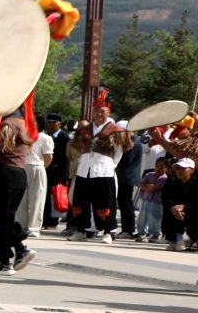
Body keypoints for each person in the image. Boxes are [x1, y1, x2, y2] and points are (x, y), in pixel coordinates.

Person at [67, 98, 128, 242]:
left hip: (104, 170)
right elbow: (78, 147)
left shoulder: (115, 130)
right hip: (84, 170)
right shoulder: (85, 130)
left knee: (106, 201)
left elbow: (118, 151)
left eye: (102, 111)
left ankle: (108, 232)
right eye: (96, 111)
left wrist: (111, 165)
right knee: (80, 201)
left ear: (108, 113)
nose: (99, 114)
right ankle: (80, 230)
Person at [0, 116, 33, 274]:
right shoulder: (24, 123)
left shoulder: (7, 123)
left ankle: (4, 260)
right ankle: (19, 249)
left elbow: (1, 146)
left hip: (3, 173)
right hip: (18, 172)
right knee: (5, 218)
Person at [164, 157, 194, 252]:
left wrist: (184, 206)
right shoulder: (172, 183)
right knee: (170, 212)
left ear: (192, 170)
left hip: (193, 211)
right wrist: (173, 207)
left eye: (183, 168)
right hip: (178, 212)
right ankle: (177, 239)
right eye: (177, 168)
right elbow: (166, 198)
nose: (179, 171)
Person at [136, 155, 168, 243]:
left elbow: (159, 187)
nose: (159, 169)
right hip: (146, 199)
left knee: (154, 218)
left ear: (166, 168)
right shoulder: (149, 175)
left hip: (157, 201)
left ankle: (155, 234)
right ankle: (142, 233)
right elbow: (141, 183)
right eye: (157, 166)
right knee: (142, 217)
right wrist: (147, 187)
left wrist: (154, 187)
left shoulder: (165, 178)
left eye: (162, 167)